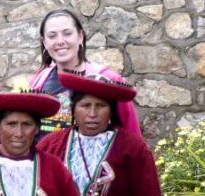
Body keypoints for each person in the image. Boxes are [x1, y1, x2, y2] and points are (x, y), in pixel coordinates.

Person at [30, 8, 142, 138]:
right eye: (52, 36)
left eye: (67, 33)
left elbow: (132, 135)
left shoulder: (108, 81)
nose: (60, 41)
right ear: (45, 42)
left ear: (80, 36)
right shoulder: (38, 81)